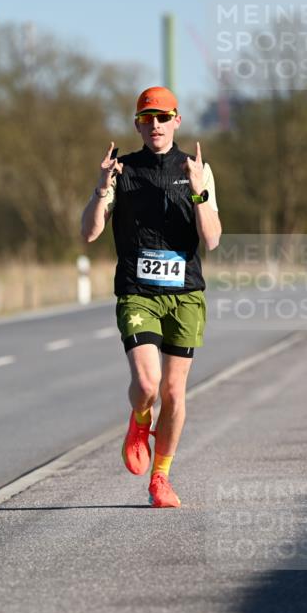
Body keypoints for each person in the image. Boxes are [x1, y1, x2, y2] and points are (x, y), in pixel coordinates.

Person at [81, 86, 222, 507]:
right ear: (137, 125)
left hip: (185, 295)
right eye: (147, 119)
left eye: (163, 118)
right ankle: (140, 419)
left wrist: (198, 189)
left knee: (175, 393)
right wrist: (101, 189)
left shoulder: (196, 168)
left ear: (177, 120)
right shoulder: (121, 170)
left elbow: (211, 239)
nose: (155, 126)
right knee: (147, 384)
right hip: (138, 291)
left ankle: (161, 477)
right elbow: (88, 233)